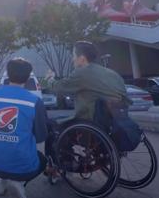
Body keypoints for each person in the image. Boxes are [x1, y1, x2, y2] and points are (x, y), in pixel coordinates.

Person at [44, 41, 129, 175]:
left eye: (73, 55)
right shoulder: (112, 74)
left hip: (89, 124)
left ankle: (57, 166)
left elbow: (59, 87)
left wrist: (50, 79)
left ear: (82, 58)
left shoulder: (82, 73)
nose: (72, 59)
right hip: (113, 125)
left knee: (50, 126)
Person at [0, 58, 48, 198]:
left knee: (5, 158)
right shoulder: (34, 101)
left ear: (8, 74)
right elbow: (41, 136)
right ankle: (19, 183)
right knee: (42, 160)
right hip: (23, 167)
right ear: (28, 77)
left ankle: (1, 180)